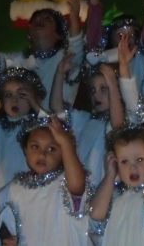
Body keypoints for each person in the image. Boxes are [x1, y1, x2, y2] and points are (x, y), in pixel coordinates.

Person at [0, 116, 92, 246]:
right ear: (25, 149)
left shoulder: (65, 180)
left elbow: (77, 186)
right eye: (35, 147)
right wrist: (5, 235)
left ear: (63, 152)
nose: (42, 155)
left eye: (51, 149)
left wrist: (66, 142)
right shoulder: (16, 186)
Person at [89, 119, 144, 246]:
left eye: (140, 159)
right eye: (124, 161)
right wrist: (110, 175)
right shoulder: (115, 197)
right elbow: (95, 214)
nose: (132, 167)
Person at [51, 54, 124, 186]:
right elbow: (57, 107)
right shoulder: (85, 119)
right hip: (80, 188)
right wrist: (59, 73)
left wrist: (112, 83)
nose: (97, 95)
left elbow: (117, 125)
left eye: (104, 88)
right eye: (93, 90)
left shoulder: (122, 121)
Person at [0, 66, 47, 188]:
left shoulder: (38, 126)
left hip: (29, 189)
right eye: (8, 95)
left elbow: (55, 128)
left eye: (22, 95)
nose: (14, 100)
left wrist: (35, 105)